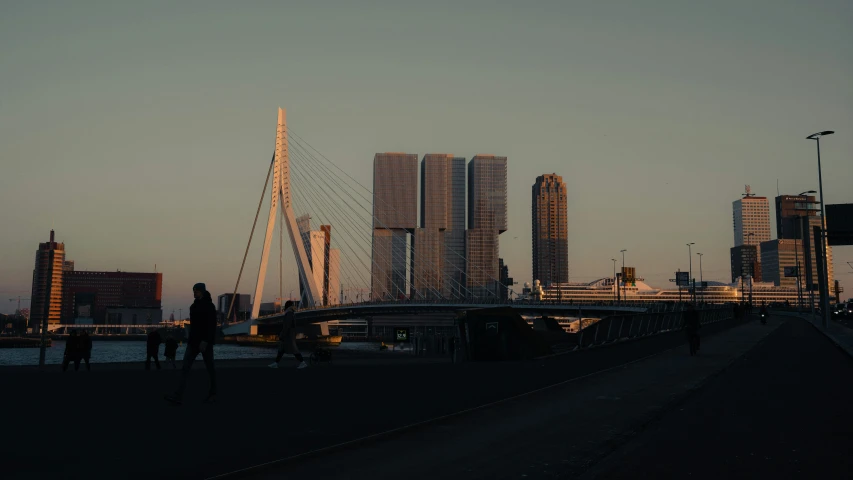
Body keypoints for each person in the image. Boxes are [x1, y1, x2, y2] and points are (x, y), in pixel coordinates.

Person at [165, 283, 218, 405]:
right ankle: (179, 395)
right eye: (194, 290)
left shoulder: (209, 306)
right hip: (193, 342)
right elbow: (194, 326)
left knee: (210, 368)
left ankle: (213, 393)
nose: (195, 293)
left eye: (197, 291)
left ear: (203, 292)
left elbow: (211, 325)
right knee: (185, 368)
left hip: (205, 342)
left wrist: (206, 340)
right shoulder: (193, 307)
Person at [268, 300, 308, 369]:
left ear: (287, 306)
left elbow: (287, 325)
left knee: (294, 350)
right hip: (289, 335)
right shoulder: (292, 313)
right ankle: (275, 363)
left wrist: (282, 334)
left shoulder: (289, 313)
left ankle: (302, 362)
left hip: (288, 335)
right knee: (281, 349)